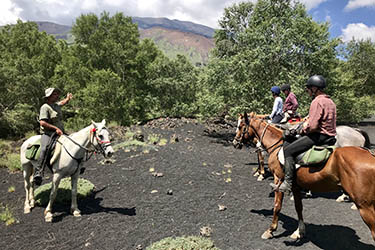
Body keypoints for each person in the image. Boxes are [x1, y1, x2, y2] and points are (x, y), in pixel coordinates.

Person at [270, 75, 336, 194]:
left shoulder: (317, 101)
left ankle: (288, 183)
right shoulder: (329, 101)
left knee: (288, 151)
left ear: (315, 88)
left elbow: (313, 127)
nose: (307, 91)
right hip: (330, 136)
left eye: (309, 88)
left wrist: (301, 130)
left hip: (318, 136)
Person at [33, 88, 73, 185]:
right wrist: (55, 128)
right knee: (44, 148)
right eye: (54, 94)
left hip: (60, 133)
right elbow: (42, 122)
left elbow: (62, 103)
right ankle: (38, 172)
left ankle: (74, 166)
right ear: (49, 97)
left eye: (57, 94)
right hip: (48, 134)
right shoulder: (45, 107)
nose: (57, 96)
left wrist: (68, 99)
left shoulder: (56, 105)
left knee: (72, 143)